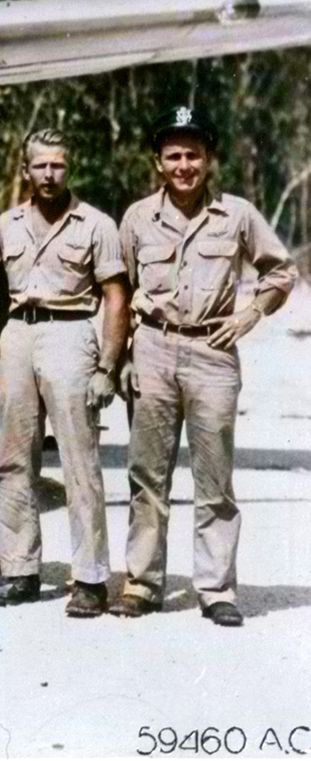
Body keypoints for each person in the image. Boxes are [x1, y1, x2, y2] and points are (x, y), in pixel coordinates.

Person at [113, 106, 295, 627]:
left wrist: (251, 313)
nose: (184, 164)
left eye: (194, 154)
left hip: (213, 355)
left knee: (214, 476)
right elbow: (121, 291)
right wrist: (123, 356)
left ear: (208, 160)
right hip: (153, 348)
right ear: (158, 162)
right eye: (174, 155)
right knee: (148, 473)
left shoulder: (236, 215)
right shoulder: (137, 218)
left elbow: (279, 271)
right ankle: (142, 582)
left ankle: (216, 588)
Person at [0, 129, 126, 619]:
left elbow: (114, 296)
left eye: (58, 166)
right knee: (12, 459)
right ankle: (20, 569)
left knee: (78, 462)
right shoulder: (7, 223)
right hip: (18, 335)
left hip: (71, 335)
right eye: (40, 166)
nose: (49, 175)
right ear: (26, 170)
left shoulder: (96, 224)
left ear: (69, 168)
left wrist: (108, 364)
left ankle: (90, 578)